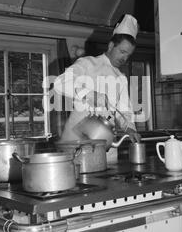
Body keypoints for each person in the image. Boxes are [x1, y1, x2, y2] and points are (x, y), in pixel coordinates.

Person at [53, 14, 141, 143]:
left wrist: (130, 128)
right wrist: (90, 95)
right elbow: (60, 83)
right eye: (122, 52)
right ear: (111, 46)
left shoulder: (121, 78)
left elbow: (123, 111)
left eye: (128, 55)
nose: (124, 58)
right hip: (76, 141)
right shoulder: (87, 63)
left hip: (105, 141)